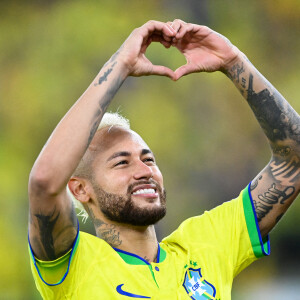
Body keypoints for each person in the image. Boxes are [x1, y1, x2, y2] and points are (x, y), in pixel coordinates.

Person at [28, 19, 300, 299]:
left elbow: (294, 160)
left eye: (148, 158)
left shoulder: (207, 242)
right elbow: (44, 182)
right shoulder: (71, 265)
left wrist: (233, 61)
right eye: (122, 162)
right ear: (80, 188)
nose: (144, 170)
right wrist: (120, 65)